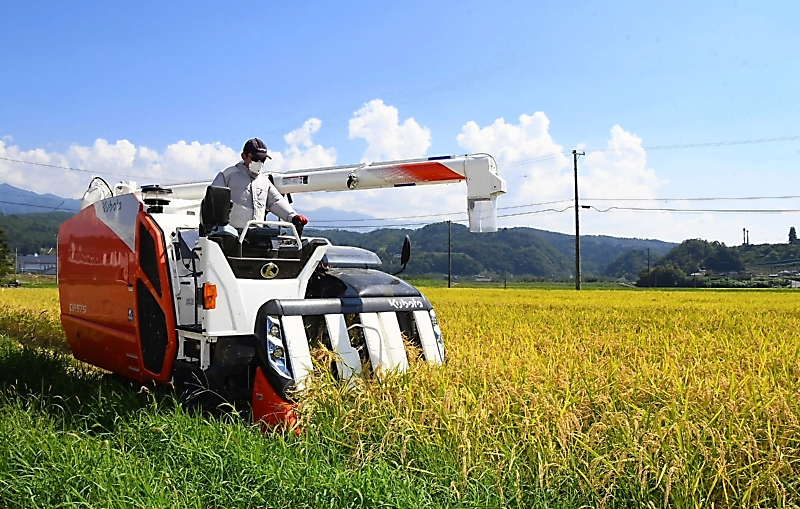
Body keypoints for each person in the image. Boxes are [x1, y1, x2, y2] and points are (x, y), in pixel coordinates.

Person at [212, 138, 308, 233]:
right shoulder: (227, 176)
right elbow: (212, 203)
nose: (259, 163)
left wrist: (293, 217)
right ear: (243, 156)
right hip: (230, 237)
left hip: (256, 235)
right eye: (255, 159)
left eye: (263, 159)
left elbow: (275, 201)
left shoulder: (264, 181)